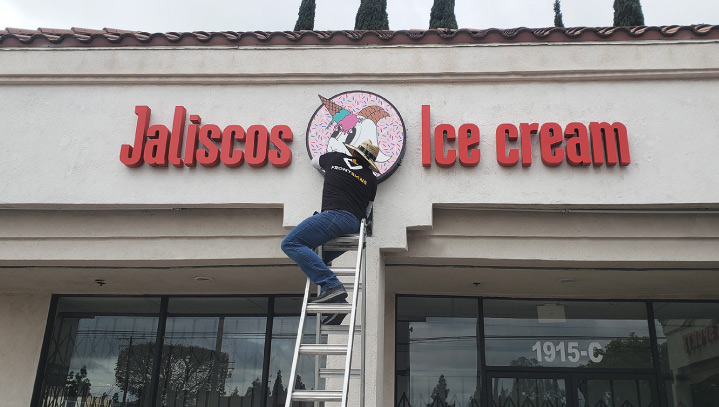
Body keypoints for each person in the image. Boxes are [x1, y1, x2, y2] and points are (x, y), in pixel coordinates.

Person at [281, 139, 379, 325]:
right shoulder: (371, 179)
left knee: (291, 243)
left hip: (334, 216)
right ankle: (339, 307)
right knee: (318, 259)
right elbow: (368, 210)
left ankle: (332, 285)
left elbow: (314, 162)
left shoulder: (335, 158)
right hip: (353, 225)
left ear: (354, 152)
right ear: (370, 162)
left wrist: (334, 172)